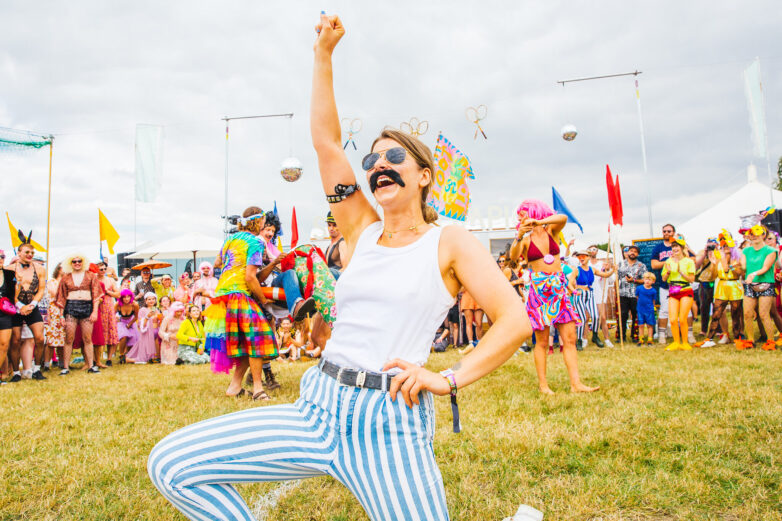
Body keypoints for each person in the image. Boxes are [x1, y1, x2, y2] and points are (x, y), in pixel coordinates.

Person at [148, 15, 530, 520]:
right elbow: (327, 144)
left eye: (395, 157)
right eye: (372, 163)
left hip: (388, 423)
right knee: (171, 464)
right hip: (318, 407)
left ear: (423, 176)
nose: (380, 166)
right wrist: (323, 56)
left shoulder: (449, 241)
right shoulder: (360, 229)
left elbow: (516, 319)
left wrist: (450, 379)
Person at [509, 200, 597, 393]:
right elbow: (514, 257)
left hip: (558, 288)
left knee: (570, 338)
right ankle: (543, 385)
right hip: (539, 291)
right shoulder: (524, 238)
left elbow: (563, 217)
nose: (519, 217)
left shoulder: (552, 232)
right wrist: (519, 235)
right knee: (541, 341)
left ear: (534, 212)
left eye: (522, 213)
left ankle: (576, 384)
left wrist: (538, 222)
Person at [204, 206, 278, 399]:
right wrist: (263, 299)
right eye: (263, 221)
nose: (264, 224)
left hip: (222, 296)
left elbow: (218, 262)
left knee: (245, 345)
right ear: (258, 222)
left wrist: (271, 264)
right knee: (257, 339)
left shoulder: (229, 239)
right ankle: (258, 390)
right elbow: (251, 277)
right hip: (239, 294)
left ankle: (234, 388)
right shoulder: (255, 242)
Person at [55, 253, 103, 374]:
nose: (77, 263)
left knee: (87, 338)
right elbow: (61, 298)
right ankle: (65, 367)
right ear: (70, 263)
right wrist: (61, 316)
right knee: (69, 338)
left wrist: (94, 312)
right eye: (74, 261)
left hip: (87, 306)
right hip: (71, 307)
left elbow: (96, 295)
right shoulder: (65, 277)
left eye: (79, 261)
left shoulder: (91, 275)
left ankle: (91, 365)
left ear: (83, 262)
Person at [7, 241, 48, 381]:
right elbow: (8, 290)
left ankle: (36, 369)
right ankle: (15, 372)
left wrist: (33, 304)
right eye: (27, 252)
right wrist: (20, 306)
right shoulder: (9, 269)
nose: (30, 255)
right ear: (19, 253)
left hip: (32, 305)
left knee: (40, 337)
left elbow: (41, 288)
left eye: (32, 253)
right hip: (15, 307)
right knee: (15, 340)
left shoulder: (40, 269)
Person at [695, 234, 744, 347]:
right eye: (723, 245)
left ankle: (737, 338)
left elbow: (741, 273)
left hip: (734, 286)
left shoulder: (737, 257)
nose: (725, 247)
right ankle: (710, 338)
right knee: (717, 313)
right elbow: (713, 275)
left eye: (727, 244)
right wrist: (714, 263)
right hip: (721, 286)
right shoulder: (718, 258)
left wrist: (730, 264)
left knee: (735, 314)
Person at [737, 225, 778, 350]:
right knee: (747, 313)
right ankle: (750, 340)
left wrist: (752, 274)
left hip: (766, 284)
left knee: (764, 314)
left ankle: (770, 341)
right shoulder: (746, 251)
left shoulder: (771, 251)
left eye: (757, 234)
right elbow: (743, 267)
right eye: (752, 234)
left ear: (763, 235)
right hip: (750, 284)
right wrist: (738, 267)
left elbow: (765, 268)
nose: (754, 236)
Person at [573, 248, 615, 349]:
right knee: (583, 319)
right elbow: (570, 283)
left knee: (598, 317)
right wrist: (574, 291)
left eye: (583, 256)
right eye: (579, 256)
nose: (581, 258)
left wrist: (613, 269)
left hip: (592, 293)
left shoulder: (595, 267)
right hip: (581, 294)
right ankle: (581, 340)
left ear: (588, 257)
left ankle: (599, 337)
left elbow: (605, 275)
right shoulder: (576, 269)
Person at [661, 235, 696, 351]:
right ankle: (676, 342)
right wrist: (668, 272)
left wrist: (681, 272)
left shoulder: (688, 261)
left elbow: (691, 279)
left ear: (682, 248)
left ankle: (685, 342)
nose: (675, 249)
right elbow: (664, 279)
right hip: (673, 290)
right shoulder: (668, 261)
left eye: (677, 247)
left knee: (682, 318)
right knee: (672, 319)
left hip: (685, 290)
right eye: (673, 247)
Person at [587, 245, 617, 348]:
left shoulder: (602, 264)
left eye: (594, 249)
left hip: (599, 292)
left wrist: (609, 269)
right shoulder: (585, 265)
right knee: (586, 318)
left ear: (597, 251)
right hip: (588, 292)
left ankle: (607, 339)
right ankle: (584, 339)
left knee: (603, 317)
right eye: (590, 249)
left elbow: (612, 279)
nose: (592, 251)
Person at [650, 224, 676, 344]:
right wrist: (669, 261)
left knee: (684, 310)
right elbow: (654, 265)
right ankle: (661, 334)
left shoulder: (680, 245)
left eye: (669, 231)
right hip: (664, 283)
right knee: (664, 310)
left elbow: (690, 259)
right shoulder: (658, 248)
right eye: (664, 231)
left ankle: (686, 333)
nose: (666, 233)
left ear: (673, 232)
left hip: (680, 282)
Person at [616, 245, 646, 343]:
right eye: (631, 251)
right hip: (622, 293)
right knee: (622, 315)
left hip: (635, 295)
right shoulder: (621, 264)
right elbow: (615, 277)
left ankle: (635, 335)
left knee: (635, 315)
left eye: (635, 251)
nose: (632, 253)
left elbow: (645, 280)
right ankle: (621, 336)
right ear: (627, 253)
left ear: (638, 254)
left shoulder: (641, 265)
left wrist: (634, 280)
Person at [96, 262, 120, 367]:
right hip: (98, 307)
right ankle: (97, 359)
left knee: (111, 332)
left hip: (109, 307)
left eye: (105, 269)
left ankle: (109, 358)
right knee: (99, 332)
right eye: (101, 269)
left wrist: (107, 292)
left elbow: (118, 294)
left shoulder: (110, 280)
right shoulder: (94, 280)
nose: (103, 271)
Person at [694, 238, 719, 337]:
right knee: (704, 307)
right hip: (704, 283)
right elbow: (696, 265)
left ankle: (718, 329)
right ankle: (703, 329)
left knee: (717, 307)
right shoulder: (701, 252)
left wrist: (715, 253)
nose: (711, 247)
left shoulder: (719, 253)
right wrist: (705, 253)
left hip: (716, 282)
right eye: (709, 244)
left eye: (713, 244)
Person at [126, 293, 160, 363]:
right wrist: (147, 317)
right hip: (147, 333)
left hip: (156, 332)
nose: (151, 301)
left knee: (154, 355)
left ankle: (155, 357)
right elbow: (140, 324)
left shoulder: (156, 310)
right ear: (145, 301)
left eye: (153, 299)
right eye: (149, 299)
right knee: (144, 358)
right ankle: (128, 359)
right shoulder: (143, 310)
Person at [43, 263, 65, 370]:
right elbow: (54, 294)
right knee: (50, 341)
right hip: (52, 311)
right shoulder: (52, 281)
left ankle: (62, 363)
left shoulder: (66, 282)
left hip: (63, 312)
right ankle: (47, 364)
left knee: (62, 339)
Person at [0, 254, 16, 382]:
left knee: (4, 344)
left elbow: (14, 293)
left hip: (5, 312)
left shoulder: (10, 274)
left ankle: (3, 372)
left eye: (2, 257)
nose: (0, 259)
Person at [115, 289, 139, 363]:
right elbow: (112, 314)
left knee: (134, 338)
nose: (126, 299)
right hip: (121, 322)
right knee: (124, 336)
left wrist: (130, 324)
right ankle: (121, 354)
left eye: (128, 297)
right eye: (124, 297)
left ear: (131, 297)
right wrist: (116, 319)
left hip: (131, 321)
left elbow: (136, 317)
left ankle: (128, 355)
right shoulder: (117, 304)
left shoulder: (135, 304)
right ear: (121, 298)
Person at [635, 273, 658, 345]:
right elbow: (637, 297)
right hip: (640, 309)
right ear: (643, 280)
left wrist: (653, 308)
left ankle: (650, 339)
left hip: (649, 310)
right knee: (641, 325)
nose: (647, 281)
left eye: (649, 279)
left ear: (653, 281)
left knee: (650, 325)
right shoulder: (639, 288)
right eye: (646, 279)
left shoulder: (653, 291)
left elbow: (653, 301)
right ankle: (641, 339)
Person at [325, 210, 348, 279]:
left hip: (337, 282)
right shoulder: (329, 246)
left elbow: (346, 268)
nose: (331, 228)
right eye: (329, 225)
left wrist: (328, 278)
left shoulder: (342, 244)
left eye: (335, 225)